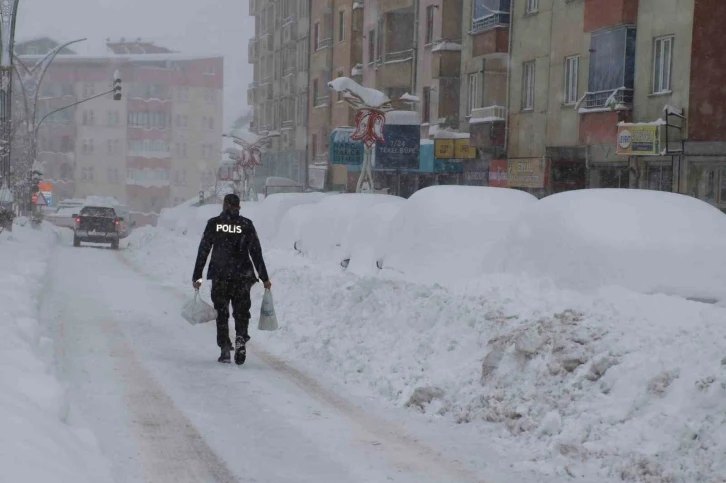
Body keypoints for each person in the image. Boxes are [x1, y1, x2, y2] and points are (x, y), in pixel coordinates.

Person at [192, 194, 271, 365]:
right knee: (241, 313)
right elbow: (256, 252)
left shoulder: (214, 224)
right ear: (238, 207)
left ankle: (225, 349)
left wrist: (197, 276)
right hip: (242, 277)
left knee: (222, 314)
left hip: (220, 276)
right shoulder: (246, 224)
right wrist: (264, 277)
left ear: (224, 206)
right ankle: (241, 337)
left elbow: (203, 250)